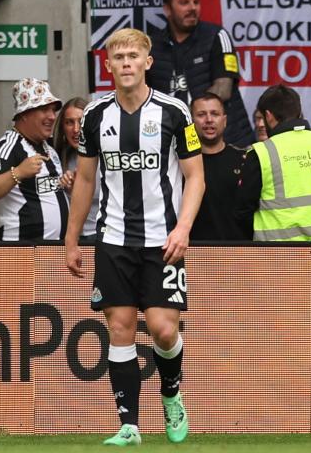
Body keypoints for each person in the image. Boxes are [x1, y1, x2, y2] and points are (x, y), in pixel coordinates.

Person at [65, 28, 204, 447]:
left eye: (133, 56)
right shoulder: (94, 115)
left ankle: (172, 393)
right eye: (118, 57)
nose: (125, 63)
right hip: (113, 238)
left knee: (163, 330)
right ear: (107, 65)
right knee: (120, 326)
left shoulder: (175, 112)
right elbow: (86, 179)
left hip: (164, 239)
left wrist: (183, 229)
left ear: (148, 62)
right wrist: (72, 239)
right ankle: (129, 425)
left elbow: (196, 177)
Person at [233, 84, 311, 242]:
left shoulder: (261, 152)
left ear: (268, 116)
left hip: (277, 255)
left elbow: (242, 212)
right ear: (299, 112)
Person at [148, 0, 254, 147]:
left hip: (225, 142)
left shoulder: (217, 36)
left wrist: (189, 117)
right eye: (184, 3)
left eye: (196, 2)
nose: (192, 8)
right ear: (167, 9)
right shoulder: (152, 46)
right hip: (173, 143)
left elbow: (224, 89)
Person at [0, 78, 69, 241]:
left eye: (53, 110)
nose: (52, 117)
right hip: (21, 251)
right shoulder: (9, 146)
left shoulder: (48, 148)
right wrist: (18, 173)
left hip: (52, 253)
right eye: (44, 109)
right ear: (24, 114)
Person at [190, 93, 246, 241]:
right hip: (193, 251)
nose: (209, 120)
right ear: (191, 122)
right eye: (201, 114)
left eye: (215, 114)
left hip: (238, 252)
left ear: (225, 120)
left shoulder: (244, 160)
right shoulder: (180, 164)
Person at [53, 97, 100, 240]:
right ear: (62, 127)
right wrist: (60, 186)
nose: (76, 129)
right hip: (68, 237)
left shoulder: (104, 157)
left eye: (81, 121)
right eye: (69, 122)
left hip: (100, 236)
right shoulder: (56, 158)